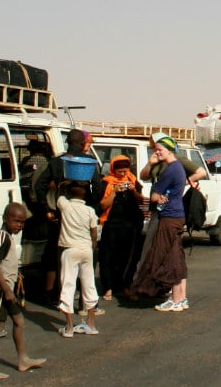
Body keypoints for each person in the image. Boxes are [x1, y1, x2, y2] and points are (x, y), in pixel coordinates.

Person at [0, 203, 46, 379]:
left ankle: (23, 359)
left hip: (8, 288)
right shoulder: (2, 237)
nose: (19, 225)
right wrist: (7, 289)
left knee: (19, 321)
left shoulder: (8, 237)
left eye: (22, 222)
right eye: (16, 221)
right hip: (0, 289)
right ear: (6, 219)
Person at [33, 129, 102, 300]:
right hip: (83, 213)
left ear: (67, 142)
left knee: (60, 256)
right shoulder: (89, 162)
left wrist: (48, 210)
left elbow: (39, 186)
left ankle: (61, 297)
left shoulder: (57, 162)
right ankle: (83, 299)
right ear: (81, 143)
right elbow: (99, 188)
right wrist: (91, 207)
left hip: (61, 213)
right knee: (85, 259)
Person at [131, 136, 190, 311]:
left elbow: (155, 195)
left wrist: (157, 196)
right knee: (175, 256)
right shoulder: (178, 168)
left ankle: (176, 298)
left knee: (166, 257)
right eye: (155, 149)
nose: (157, 152)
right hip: (176, 215)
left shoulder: (171, 170)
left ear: (169, 150)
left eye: (160, 150)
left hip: (170, 217)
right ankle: (179, 298)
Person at [56, 180, 99, 337]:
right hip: (86, 249)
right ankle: (91, 324)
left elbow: (59, 195)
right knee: (89, 285)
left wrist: (63, 186)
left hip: (70, 249)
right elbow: (94, 232)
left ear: (68, 193)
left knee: (68, 285)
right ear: (85, 194)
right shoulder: (89, 210)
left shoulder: (65, 205)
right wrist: (92, 248)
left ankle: (68, 327)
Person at [98, 155, 143, 301]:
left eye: (125, 171)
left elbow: (141, 199)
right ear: (113, 170)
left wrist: (132, 190)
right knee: (107, 256)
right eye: (120, 172)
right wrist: (114, 192)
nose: (123, 174)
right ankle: (108, 287)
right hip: (111, 225)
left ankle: (125, 285)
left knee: (127, 257)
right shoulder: (106, 183)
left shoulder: (133, 180)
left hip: (129, 225)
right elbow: (103, 205)